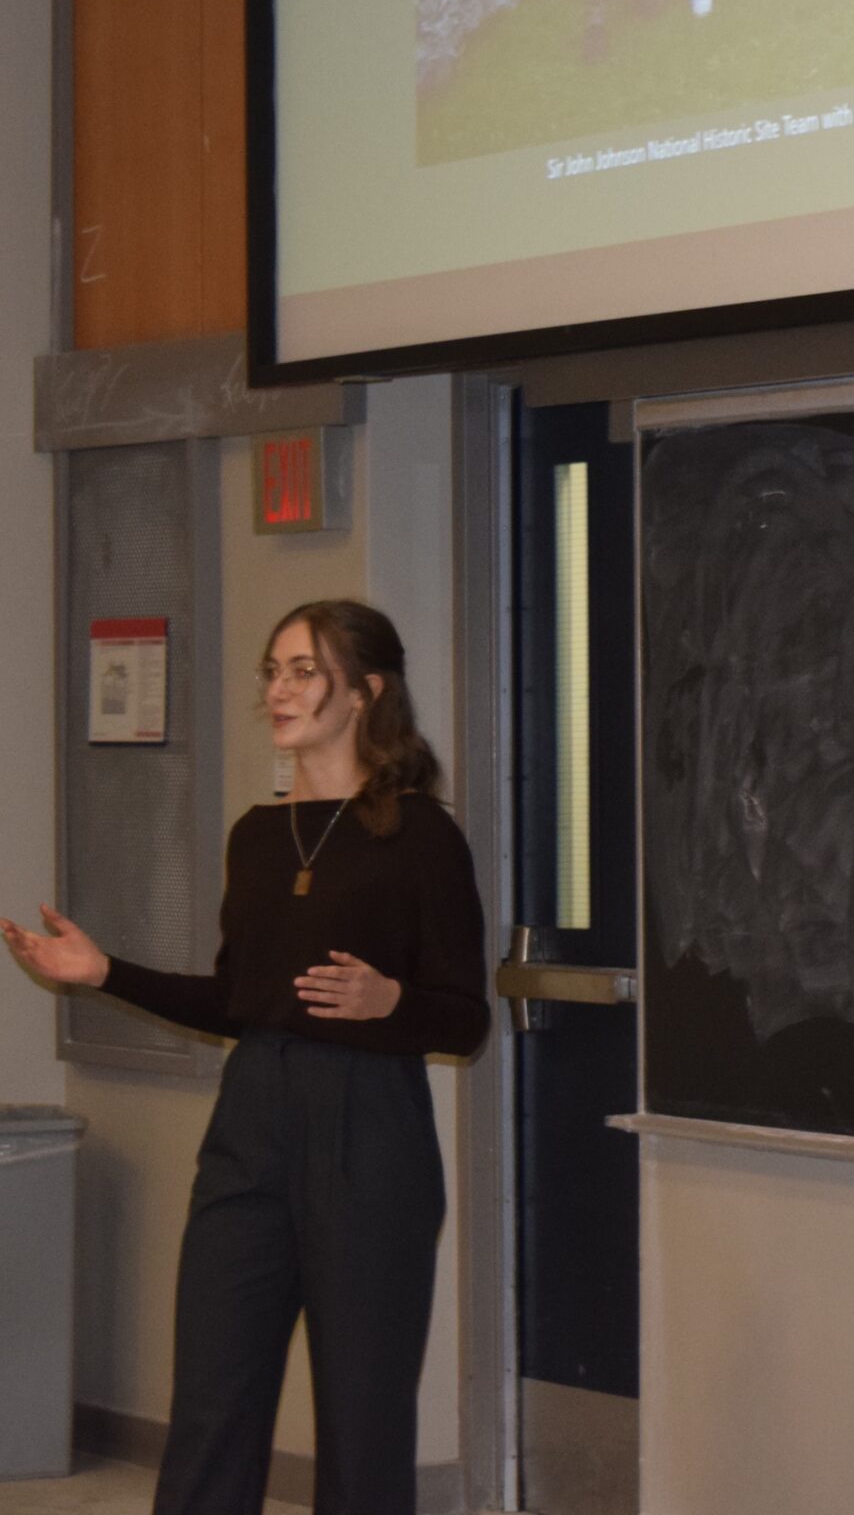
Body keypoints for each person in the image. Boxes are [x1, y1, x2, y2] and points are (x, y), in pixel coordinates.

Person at [2, 602, 489, 1515]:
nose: (279, 689)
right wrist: (102, 970)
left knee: (363, 1414)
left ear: (366, 693)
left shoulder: (422, 836)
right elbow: (235, 1001)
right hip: (252, 1117)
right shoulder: (257, 837)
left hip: (370, 1127)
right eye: (274, 669)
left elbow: (465, 1021)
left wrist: (394, 1004)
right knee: (213, 1402)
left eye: (305, 671)